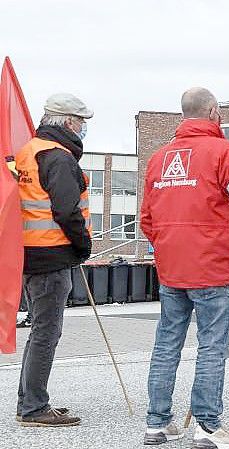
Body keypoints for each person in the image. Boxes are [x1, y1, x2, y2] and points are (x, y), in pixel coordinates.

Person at [140, 87, 229, 447]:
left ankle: (157, 423)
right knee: (212, 347)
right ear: (215, 111)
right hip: (214, 267)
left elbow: (147, 219)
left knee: (167, 344)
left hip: (173, 269)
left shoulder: (159, 159)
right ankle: (208, 426)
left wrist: (170, 248)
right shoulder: (225, 153)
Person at [15, 93, 93, 427]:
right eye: (83, 122)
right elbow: (65, 210)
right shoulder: (59, 158)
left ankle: (29, 401)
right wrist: (83, 244)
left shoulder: (29, 151)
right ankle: (33, 407)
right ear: (69, 122)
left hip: (29, 254)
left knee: (39, 332)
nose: (84, 129)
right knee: (47, 332)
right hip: (52, 255)